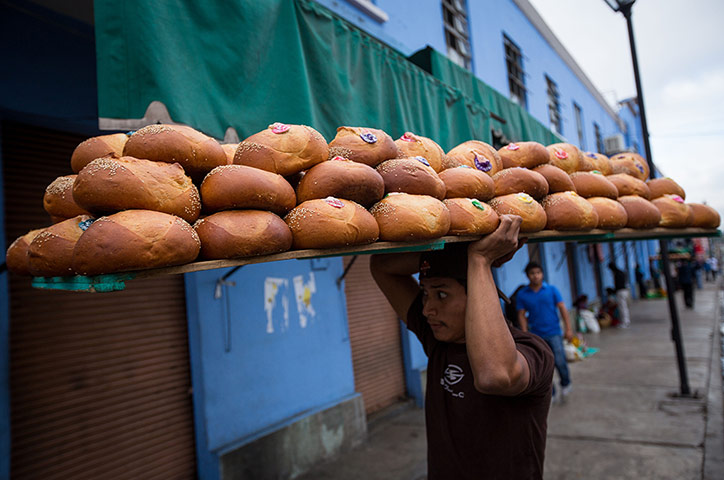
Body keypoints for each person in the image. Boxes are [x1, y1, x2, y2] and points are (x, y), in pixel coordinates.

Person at [370, 215, 554, 479]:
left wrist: (479, 261)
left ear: (482, 294)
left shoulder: (533, 350)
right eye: (425, 293)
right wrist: (458, 251)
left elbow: (494, 375)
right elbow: (381, 265)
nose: (427, 309)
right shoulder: (440, 342)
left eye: (441, 294)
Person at [516, 262, 574, 403]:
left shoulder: (552, 290)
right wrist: (525, 334)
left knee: (560, 361)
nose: (535, 276)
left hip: (554, 332)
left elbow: (562, 309)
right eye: (532, 273)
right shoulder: (522, 295)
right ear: (527, 276)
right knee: (544, 367)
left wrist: (568, 328)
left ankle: (566, 383)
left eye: (538, 272)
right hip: (536, 335)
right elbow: (521, 315)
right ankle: (551, 391)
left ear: (542, 274)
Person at [609, 262, 631, 328]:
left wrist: (614, 290)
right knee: (624, 307)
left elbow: (618, 285)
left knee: (622, 308)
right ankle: (626, 321)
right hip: (625, 291)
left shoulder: (617, 274)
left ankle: (625, 322)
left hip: (620, 292)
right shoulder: (621, 272)